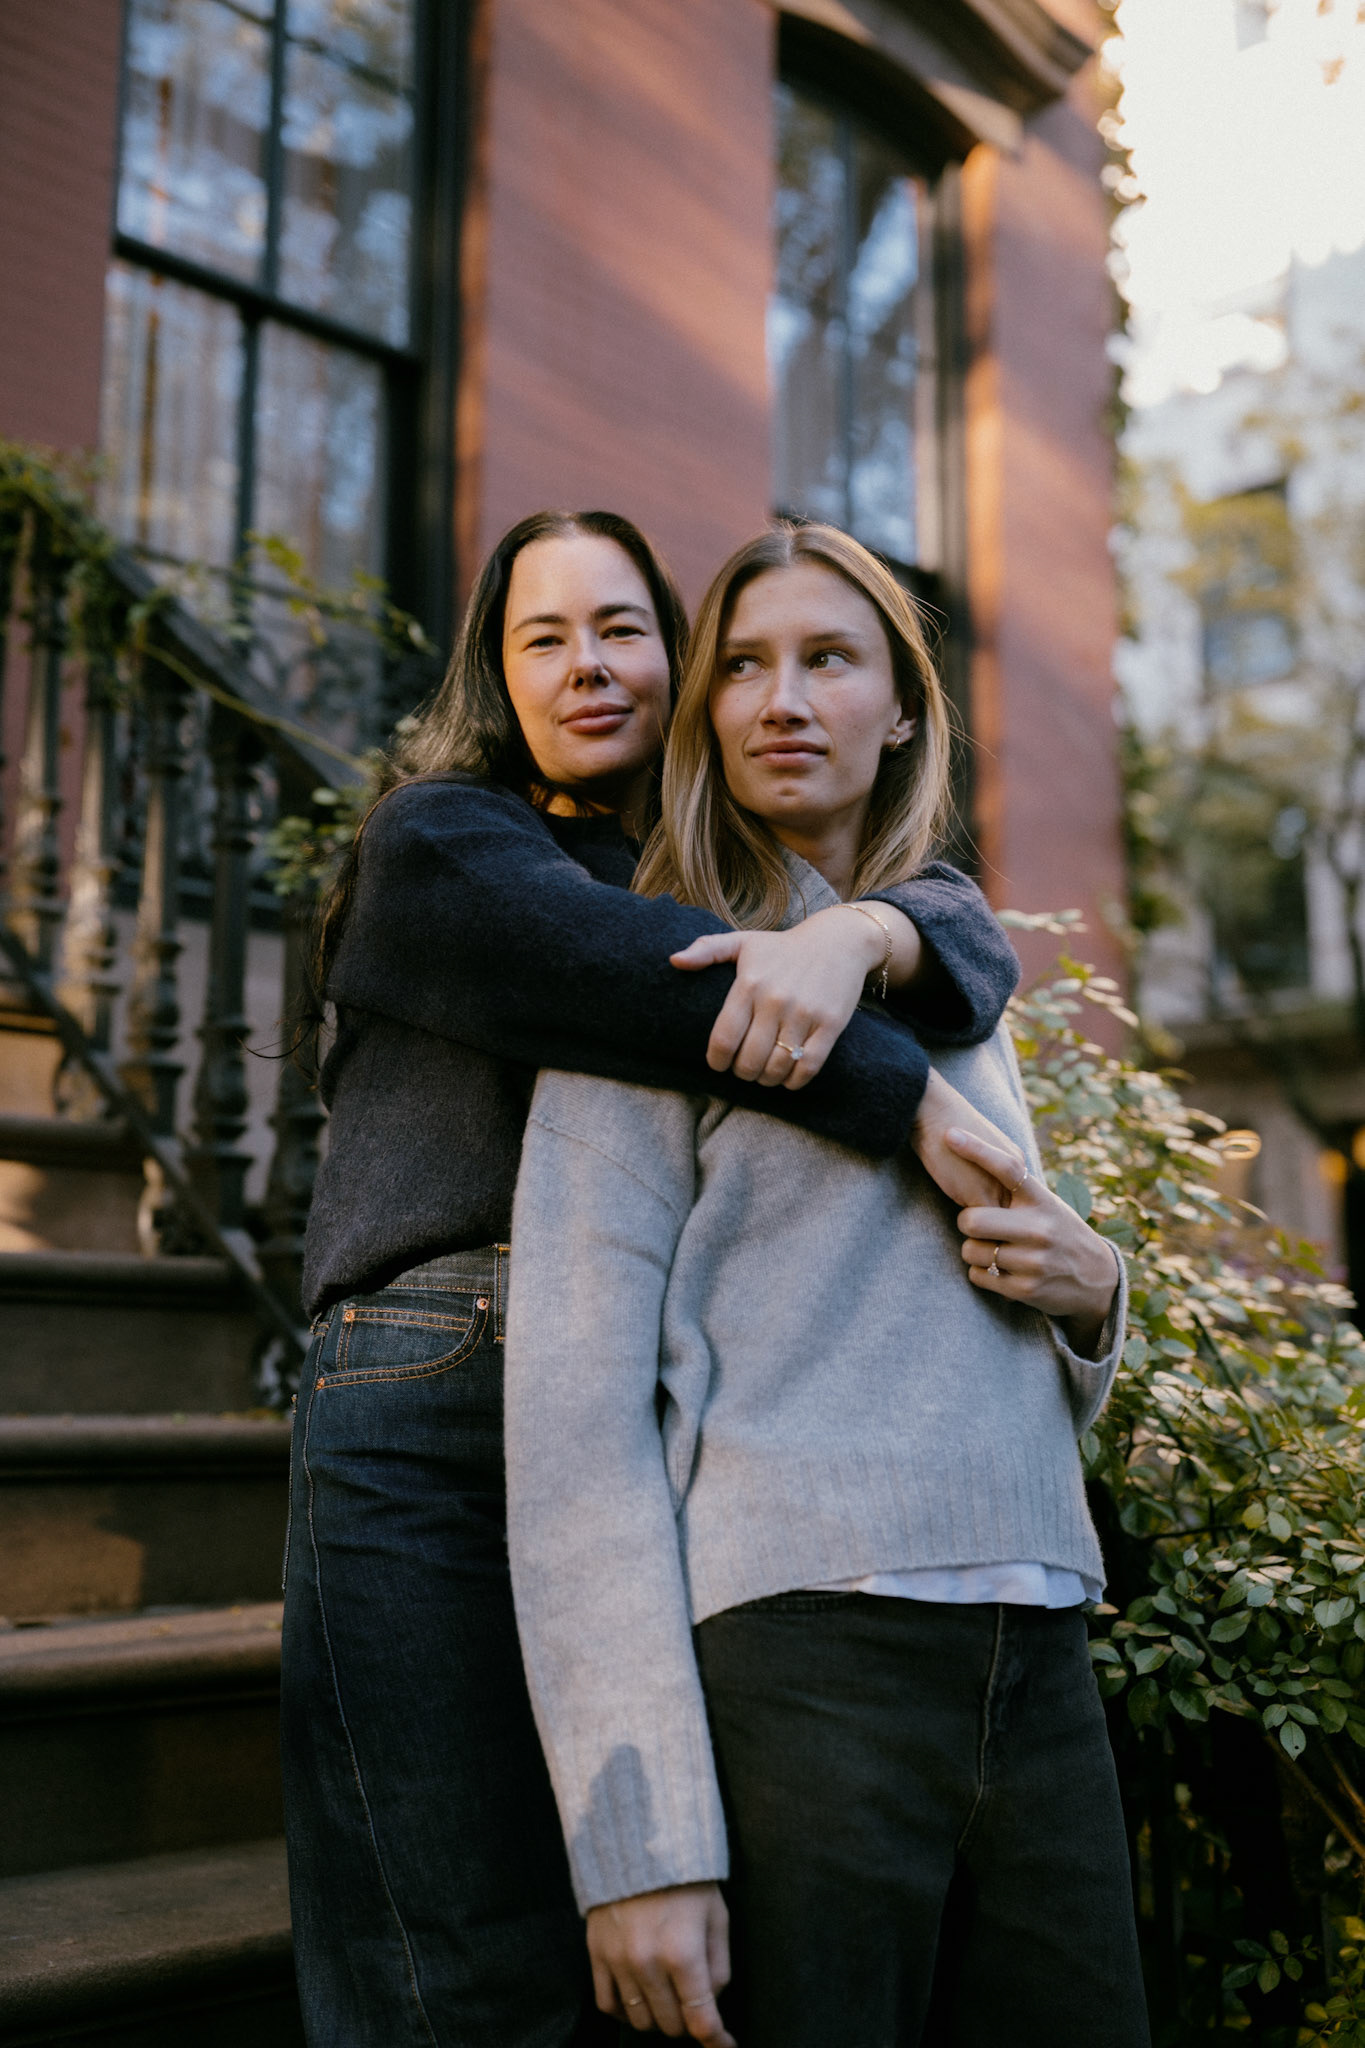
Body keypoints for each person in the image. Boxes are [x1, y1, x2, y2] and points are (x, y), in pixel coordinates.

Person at [280, 507, 1023, 2048]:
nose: (588, 666)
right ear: (494, 672)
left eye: (621, 627)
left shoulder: (704, 869)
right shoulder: (445, 839)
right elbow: (651, 985)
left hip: (643, 1400)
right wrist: (902, 1090)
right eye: (540, 636)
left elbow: (968, 932)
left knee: (635, 1928)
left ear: (673, 658)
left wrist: (870, 929)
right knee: (450, 1935)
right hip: (433, 1377)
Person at [505, 521, 1150, 2048]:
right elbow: (574, 1425)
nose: (779, 700)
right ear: (705, 713)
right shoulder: (657, 977)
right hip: (803, 1669)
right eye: (740, 665)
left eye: (827, 660)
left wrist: (1091, 1297)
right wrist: (637, 1842)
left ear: (903, 708)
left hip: (1042, 1646)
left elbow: (995, 1306)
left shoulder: (955, 982)